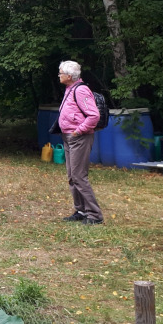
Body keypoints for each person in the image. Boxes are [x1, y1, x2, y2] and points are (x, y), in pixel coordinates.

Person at [57, 60, 104, 225]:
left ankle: (94, 215)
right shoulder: (69, 89)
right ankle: (81, 210)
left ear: (69, 76)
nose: (59, 75)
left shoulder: (81, 90)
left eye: (60, 73)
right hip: (69, 137)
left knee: (79, 176)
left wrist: (79, 130)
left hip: (79, 138)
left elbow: (94, 115)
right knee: (72, 176)